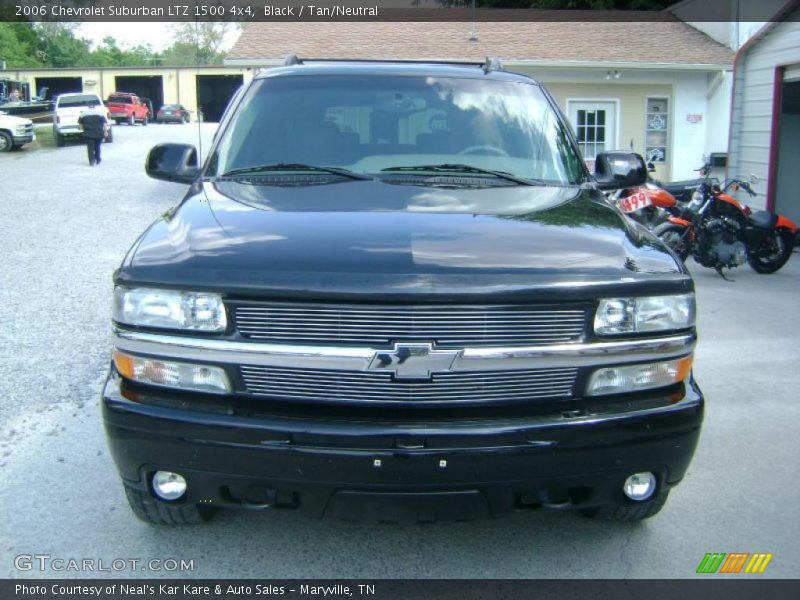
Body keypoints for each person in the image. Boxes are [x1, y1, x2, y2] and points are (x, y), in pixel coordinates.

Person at [78, 101, 109, 166]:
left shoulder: (83, 113)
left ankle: (91, 161)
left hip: (88, 132)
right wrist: (105, 131)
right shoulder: (100, 113)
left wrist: (82, 130)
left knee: (90, 147)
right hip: (99, 132)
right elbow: (105, 123)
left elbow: (80, 124)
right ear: (94, 106)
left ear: (88, 106)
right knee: (97, 146)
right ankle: (98, 159)